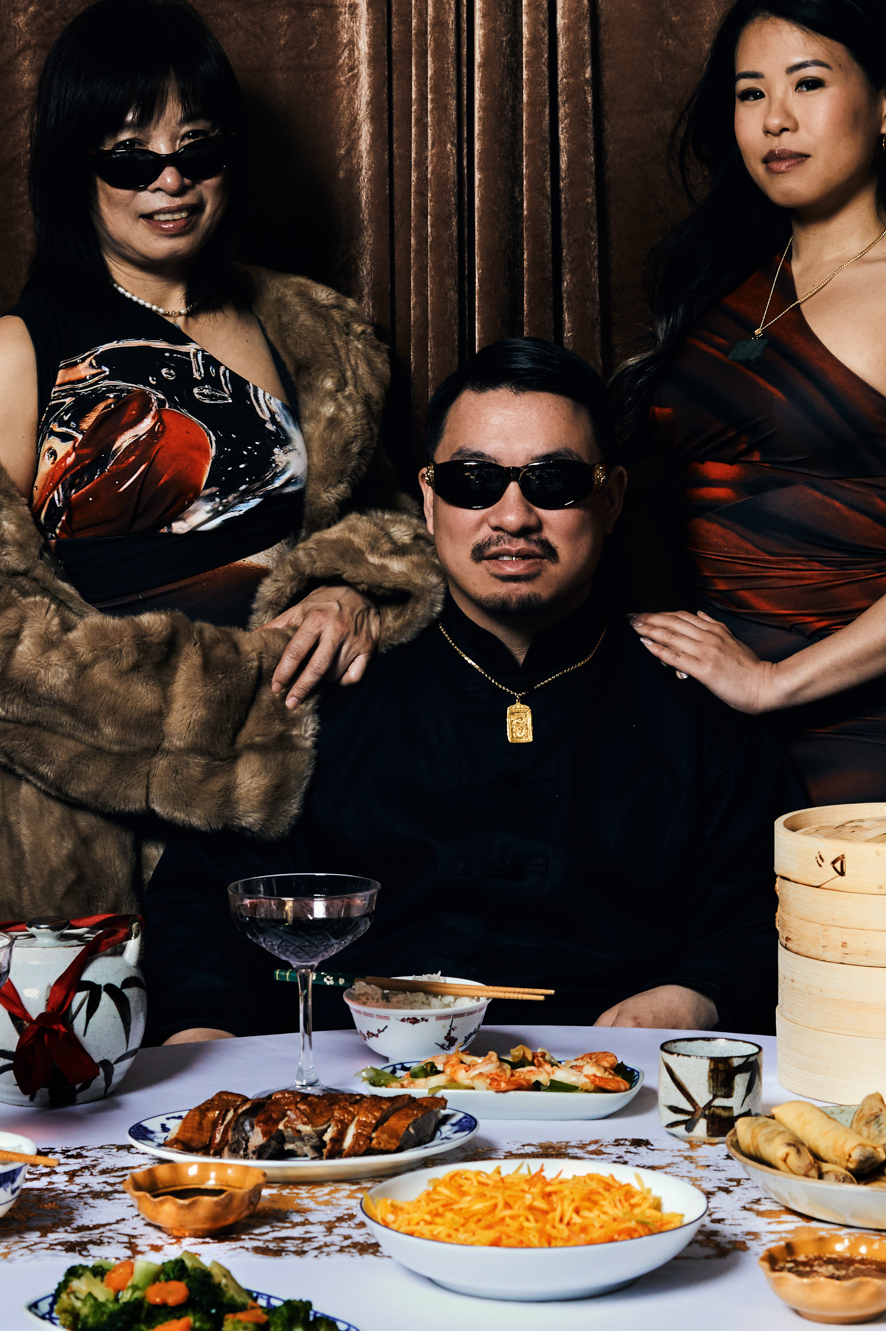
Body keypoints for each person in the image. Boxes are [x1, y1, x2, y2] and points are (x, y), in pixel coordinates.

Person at [0, 0, 441, 922]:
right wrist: (202, 716)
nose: (170, 181)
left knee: (304, 1060)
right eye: (131, 158)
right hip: (95, 822)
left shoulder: (306, 332)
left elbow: (397, 523)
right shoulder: (22, 350)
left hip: (317, 792)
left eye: (197, 150)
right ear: (74, 171)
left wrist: (350, 591)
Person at [142, 338, 803, 1042]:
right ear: (429, 500)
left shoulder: (693, 698)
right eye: (473, 480)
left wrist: (697, 995)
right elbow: (202, 903)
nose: (512, 516)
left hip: (623, 1089)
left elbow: (773, 909)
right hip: (353, 1087)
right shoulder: (330, 680)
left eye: (553, 481)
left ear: (610, 499)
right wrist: (203, 1036)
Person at [617, 0, 886, 804]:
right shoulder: (724, 284)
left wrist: (774, 683)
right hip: (703, 734)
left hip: (875, 738)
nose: (775, 119)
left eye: (808, 83)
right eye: (749, 93)